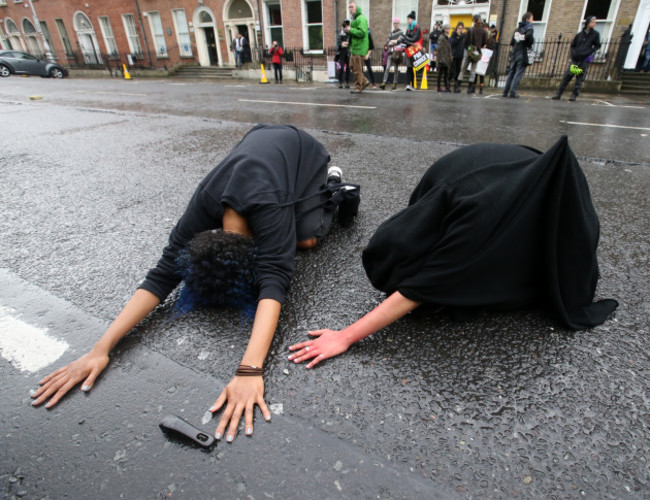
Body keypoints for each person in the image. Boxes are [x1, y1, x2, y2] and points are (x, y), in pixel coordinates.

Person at [31, 125, 361, 444]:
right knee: (285, 238)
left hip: (302, 152)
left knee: (304, 239)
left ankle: (334, 186)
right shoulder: (205, 202)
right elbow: (162, 274)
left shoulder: (271, 209)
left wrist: (249, 370)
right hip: (259, 144)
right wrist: (100, 348)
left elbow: (274, 283)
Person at [288, 137, 618, 368]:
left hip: (569, 224)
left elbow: (420, 289)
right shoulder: (441, 182)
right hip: (539, 177)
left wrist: (346, 336)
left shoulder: (469, 230)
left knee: (476, 277)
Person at [552, 16, 601, 101]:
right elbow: (573, 45)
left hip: (584, 60)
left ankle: (574, 95)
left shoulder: (595, 35)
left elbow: (597, 45)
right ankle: (559, 93)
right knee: (568, 76)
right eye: (593, 22)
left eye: (595, 22)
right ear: (588, 23)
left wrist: (589, 51)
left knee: (580, 77)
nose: (594, 24)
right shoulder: (580, 35)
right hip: (575, 59)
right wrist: (573, 53)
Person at [502, 12, 534, 98]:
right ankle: (513, 92)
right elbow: (529, 40)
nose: (532, 20)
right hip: (523, 53)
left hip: (515, 52)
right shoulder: (529, 28)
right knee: (518, 73)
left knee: (511, 72)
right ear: (527, 19)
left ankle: (505, 92)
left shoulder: (517, 29)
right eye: (532, 18)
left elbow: (512, 42)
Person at [457, 14, 486, 94]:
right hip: (477, 53)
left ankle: (458, 86)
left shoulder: (470, 30)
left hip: (470, 52)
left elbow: (466, 42)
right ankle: (469, 89)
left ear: (474, 21)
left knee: (463, 69)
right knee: (473, 70)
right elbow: (484, 42)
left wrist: (468, 48)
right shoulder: (483, 31)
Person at [348, 1, 370, 94]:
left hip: (359, 48)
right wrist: (347, 31)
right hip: (354, 48)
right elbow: (353, 33)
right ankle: (364, 81)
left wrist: (350, 30)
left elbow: (361, 33)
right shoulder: (354, 20)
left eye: (352, 6)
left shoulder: (361, 19)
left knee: (357, 69)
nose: (350, 8)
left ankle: (358, 87)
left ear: (356, 7)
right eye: (349, 7)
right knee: (351, 66)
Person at [401, 10, 423, 91]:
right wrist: (409, 41)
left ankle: (413, 85)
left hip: (414, 51)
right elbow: (407, 40)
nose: (408, 21)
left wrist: (406, 39)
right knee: (408, 68)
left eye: (409, 19)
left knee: (412, 68)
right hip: (408, 50)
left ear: (413, 19)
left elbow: (415, 38)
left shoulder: (417, 27)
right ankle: (408, 84)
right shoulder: (408, 29)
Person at [379, 18, 404, 90]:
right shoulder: (391, 33)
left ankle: (394, 83)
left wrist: (393, 41)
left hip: (397, 53)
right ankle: (384, 82)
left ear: (399, 24)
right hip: (390, 52)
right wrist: (394, 41)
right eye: (394, 23)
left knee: (396, 69)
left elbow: (400, 41)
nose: (395, 24)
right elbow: (387, 42)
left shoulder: (401, 32)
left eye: (396, 23)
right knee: (387, 68)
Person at [335, 20, 351, 89]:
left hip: (348, 53)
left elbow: (349, 43)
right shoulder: (340, 35)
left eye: (346, 26)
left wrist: (344, 43)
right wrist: (344, 44)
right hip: (342, 53)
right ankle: (340, 82)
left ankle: (347, 82)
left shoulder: (349, 35)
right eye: (344, 26)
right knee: (341, 68)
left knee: (348, 68)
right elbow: (339, 44)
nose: (345, 28)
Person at [436, 24, 452, 92]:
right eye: (448, 28)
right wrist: (441, 59)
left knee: (446, 74)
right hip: (442, 59)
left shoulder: (446, 37)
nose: (449, 30)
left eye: (449, 28)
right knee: (441, 74)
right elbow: (439, 49)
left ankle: (447, 87)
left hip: (446, 58)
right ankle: (439, 87)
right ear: (445, 29)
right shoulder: (442, 37)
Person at [450, 22, 466, 93]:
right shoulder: (454, 35)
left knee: (458, 71)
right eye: (459, 28)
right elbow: (452, 43)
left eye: (461, 28)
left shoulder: (463, 36)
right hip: (454, 55)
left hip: (460, 55)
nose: (460, 30)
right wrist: (459, 37)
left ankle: (456, 86)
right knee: (452, 70)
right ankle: (448, 83)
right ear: (457, 28)